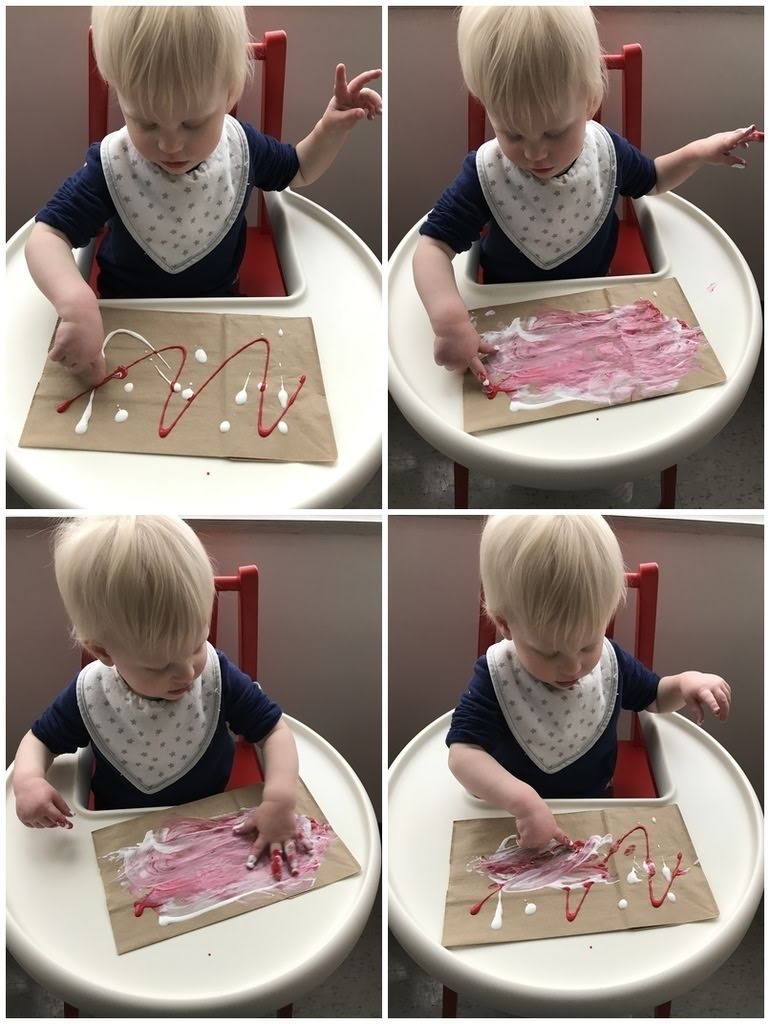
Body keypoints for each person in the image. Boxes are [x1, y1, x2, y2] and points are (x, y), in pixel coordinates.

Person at [25, 6, 382, 383]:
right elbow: (45, 237)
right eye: (145, 122)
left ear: (230, 93)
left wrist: (331, 128)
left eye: (193, 123)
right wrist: (75, 302)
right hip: (125, 317)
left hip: (219, 312)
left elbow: (300, 168)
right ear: (117, 91)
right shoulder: (112, 164)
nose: (170, 144)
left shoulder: (242, 148)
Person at [414, 5, 759, 383]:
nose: (534, 153)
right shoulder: (487, 173)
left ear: (590, 100)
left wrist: (698, 152)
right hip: (510, 312)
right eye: (512, 133)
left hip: (593, 307)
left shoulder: (607, 152)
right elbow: (432, 248)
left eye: (554, 133)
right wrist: (450, 322)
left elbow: (654, 180)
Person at [12, 515, 301, 873]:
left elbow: (275, 732)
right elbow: (39, 741)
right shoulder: (92, 693)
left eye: (196, 646)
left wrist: (280, 798)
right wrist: (28, 780)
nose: (187, 673)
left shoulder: (217, 676)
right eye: (158, 666)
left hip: (211, 820)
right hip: (122, 834)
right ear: (104, 652)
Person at [446, 514, 731, 849]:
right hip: (512, 819)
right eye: (550, 652)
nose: (573, 667)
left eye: (587, 645)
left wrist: (685, 684)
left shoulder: (611, 662)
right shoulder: (497, 676)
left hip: (595, 807)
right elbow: (462, 755)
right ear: (506, 625)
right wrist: (523, 802)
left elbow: (655, 697)